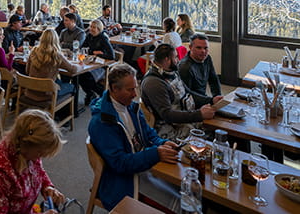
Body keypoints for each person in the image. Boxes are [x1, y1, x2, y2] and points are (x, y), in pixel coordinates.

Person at [88, 63, 180, 212]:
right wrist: (155, 154)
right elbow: (120, 163)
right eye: (130, 89)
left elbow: (148, 134)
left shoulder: (130, 105)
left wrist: (162, 143)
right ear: (114, 88)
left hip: (141, 164)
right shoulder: (102, 122)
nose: (135, 94)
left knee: (184, 190)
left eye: (135, 88)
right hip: (123, 182)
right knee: (179, 204)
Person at [0, 109, 66, 214]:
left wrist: (47, 186)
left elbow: (38, 170)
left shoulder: (27, 153)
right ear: (27, 145)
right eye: (40, 153)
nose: (41, 157)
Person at [141, 44, 218, 140]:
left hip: (184, 117)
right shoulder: (154, 83)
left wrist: (211, 100)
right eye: (176, 57)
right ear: (167, 59)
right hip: (168, 128)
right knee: (208, 138)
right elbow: (168, 115)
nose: (178, 60)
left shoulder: (171, 71)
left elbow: (188, 93)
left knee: (216, 124)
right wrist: (199, 114)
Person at [25, 28, 77, 100]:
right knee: (72, 87)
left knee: (59, 81)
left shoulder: (34, 51)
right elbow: (73, 70)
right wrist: (81, 65)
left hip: (31, 90)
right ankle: (63, 106)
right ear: (56, 40)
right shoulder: (56, 54)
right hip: (46, 94)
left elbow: (27, 71)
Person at [80, 19, 115, 105]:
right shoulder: (89, 36)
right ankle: (90, 93)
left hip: (101, 66)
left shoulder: (103, 38)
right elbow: (82, 48)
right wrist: (93, 52)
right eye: (91, 27)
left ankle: (101, 93)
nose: (91, 29)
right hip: (91, 63)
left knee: (86, 76)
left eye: (94, 27)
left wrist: (99, 54)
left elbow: (112, 56)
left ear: (99, 29)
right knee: (78, 76)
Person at [179, 33, 222, 99]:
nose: (203, 51)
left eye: (206, 48)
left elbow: (213, 80)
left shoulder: (207, 58)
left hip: (203, 97)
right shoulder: (184, 67)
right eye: (199, 48)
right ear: (190, 47)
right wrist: (210, 100)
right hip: (191, 101)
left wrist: (218, 96)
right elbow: (187, 94)